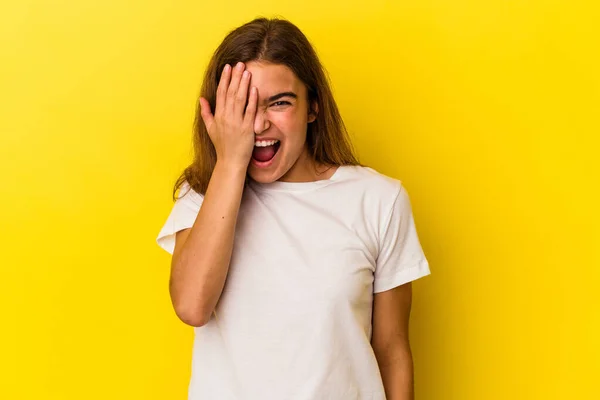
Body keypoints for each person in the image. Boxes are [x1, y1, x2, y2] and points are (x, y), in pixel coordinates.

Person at [156, 17, 431, 400]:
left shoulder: (378, 200)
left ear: (312, 107)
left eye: (279, 103)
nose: (258, 124)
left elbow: (392, 350)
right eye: (243, 107)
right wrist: (231, 162)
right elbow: (191, 306)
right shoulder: (202, 195)